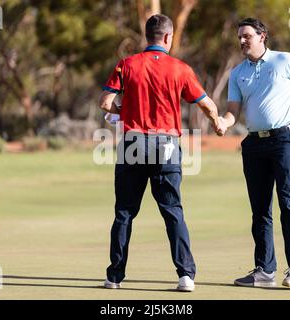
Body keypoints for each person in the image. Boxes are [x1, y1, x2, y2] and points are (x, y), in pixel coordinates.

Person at [98, 14, 224, 292]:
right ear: (168, 37)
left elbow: (105, 102)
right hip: (166, 145)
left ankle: (115, 277)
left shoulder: (127, 64)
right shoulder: (180, 68)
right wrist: (218, 122)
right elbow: (206, 104)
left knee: (125, 213)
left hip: (133, 144)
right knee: (172, 211)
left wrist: (124, 111)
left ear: (147, 36)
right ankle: (186, 276)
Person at [218, 18, 290, 289]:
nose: (242, 40)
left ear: (262, 36)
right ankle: (265, 270)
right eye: (239, 36)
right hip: (254, 145)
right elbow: (232, 111)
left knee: (288, 204)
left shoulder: (285, 60)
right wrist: (224, 122)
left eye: (247, 36)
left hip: (285, 139)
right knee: (260, 210)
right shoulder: (237, 72)